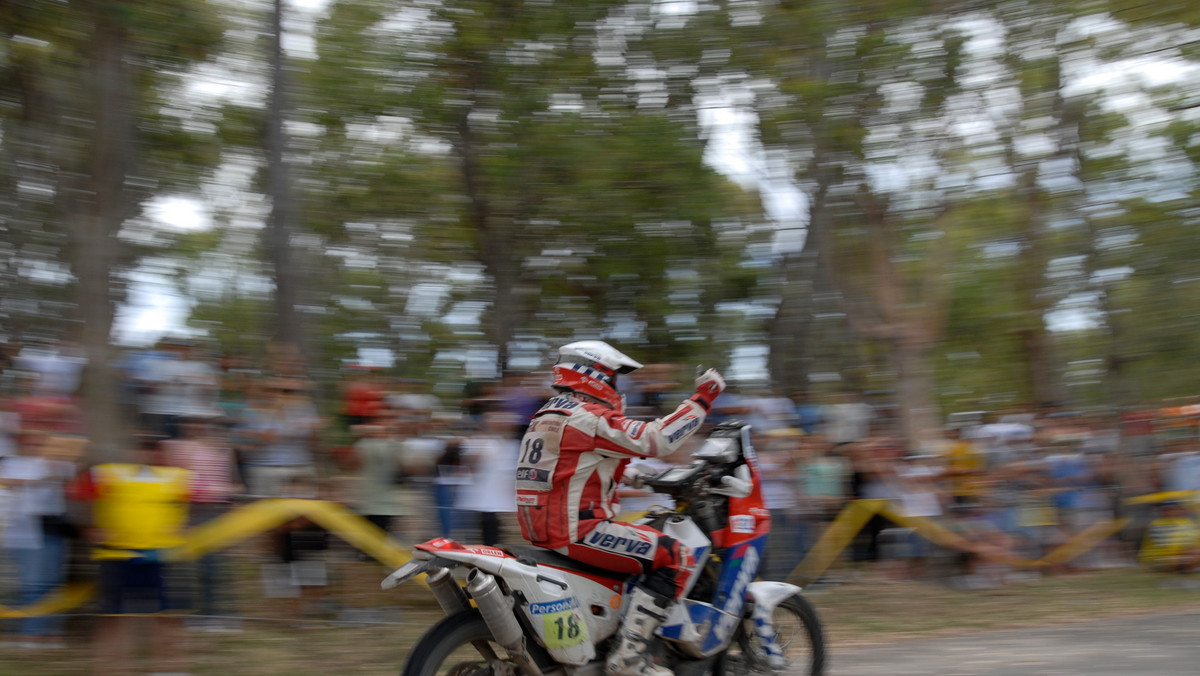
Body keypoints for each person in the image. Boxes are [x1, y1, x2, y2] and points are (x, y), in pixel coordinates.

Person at [515, 341, 724, 676]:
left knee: (643, 534)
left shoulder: (548, 416)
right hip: (578, 530)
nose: (617, 389)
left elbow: (569, 468)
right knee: (677, 556)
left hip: (544, 527)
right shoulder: (588, 418)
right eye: (615, 379)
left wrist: (633, 476)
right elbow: (658, 439)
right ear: (593, 376)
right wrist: (703, 398)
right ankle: (628, 658)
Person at [70, 436, 192, 675]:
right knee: (114, 616)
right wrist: (87, 528)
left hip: (159, 556)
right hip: (117, 556)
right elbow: (74, 495)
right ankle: (112, 669)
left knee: (165, 615)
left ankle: (170, 668)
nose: (147, 457)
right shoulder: (109, 474)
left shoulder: (177, 477)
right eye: (142, 450)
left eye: (154, 452)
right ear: (130, 452)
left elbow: (206, 500)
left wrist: (187, 524)